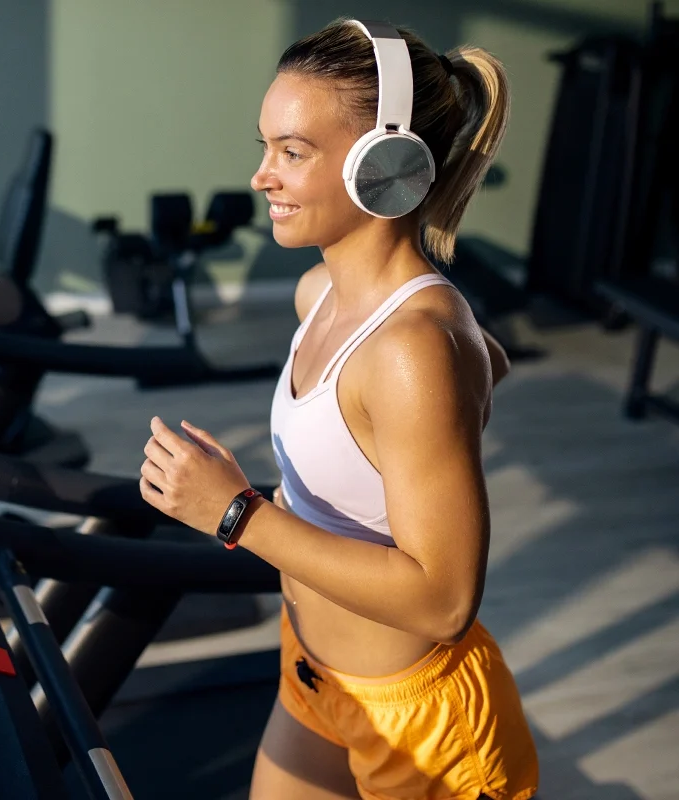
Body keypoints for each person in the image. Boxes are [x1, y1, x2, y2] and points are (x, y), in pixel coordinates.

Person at [139, 18, 538, 800]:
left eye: (292, 151)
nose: (262, 177)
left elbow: (446, 600)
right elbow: (484, 355)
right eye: (265, 147)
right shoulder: (319, 295)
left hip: (420, 723)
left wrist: (237, 514)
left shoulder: (411, 349)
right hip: (315, 675)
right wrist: (463, 363)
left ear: (385, 167)